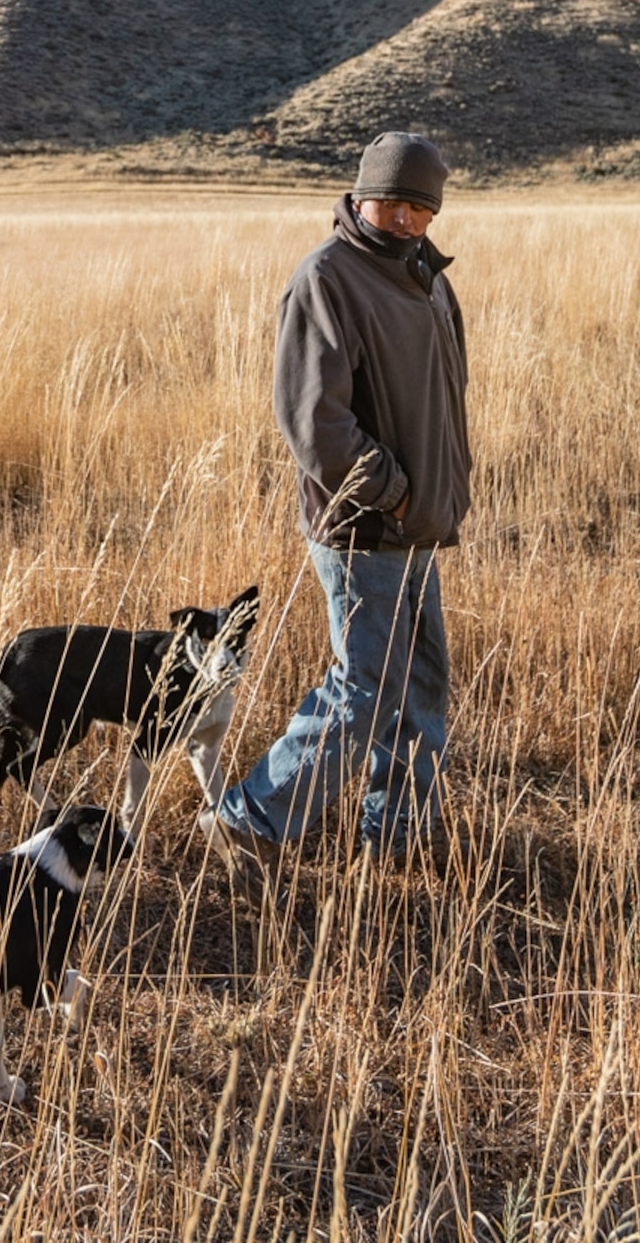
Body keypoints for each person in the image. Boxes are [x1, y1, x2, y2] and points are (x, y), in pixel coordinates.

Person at [202, 131, 469, 864]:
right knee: (365, 690)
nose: (406, 219)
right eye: (393, 203)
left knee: (420, 687)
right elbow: (315, 424)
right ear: (361, 197)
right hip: (361, 527)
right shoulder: (327, 278)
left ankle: (397, 836)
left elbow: (446, 398)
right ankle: (251, 820)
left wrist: (440, 495)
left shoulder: (428, 278)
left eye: (421, 207)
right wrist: (392, 492)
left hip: (415, 525)